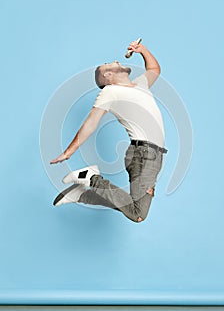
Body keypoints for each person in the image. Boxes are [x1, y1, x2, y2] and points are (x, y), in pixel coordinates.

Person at [50, 41, 167, 223]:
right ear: (108, 75)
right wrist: (69, 151)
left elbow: (154, 69)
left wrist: (142, 50)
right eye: (109, 63)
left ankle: (82, 194)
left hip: (154, 155)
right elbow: (91, 122)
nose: (115, 60)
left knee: (136, 209)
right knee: (138, 214)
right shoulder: (110, 92)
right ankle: (91, 178)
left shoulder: (140, 85)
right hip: (143, 154)